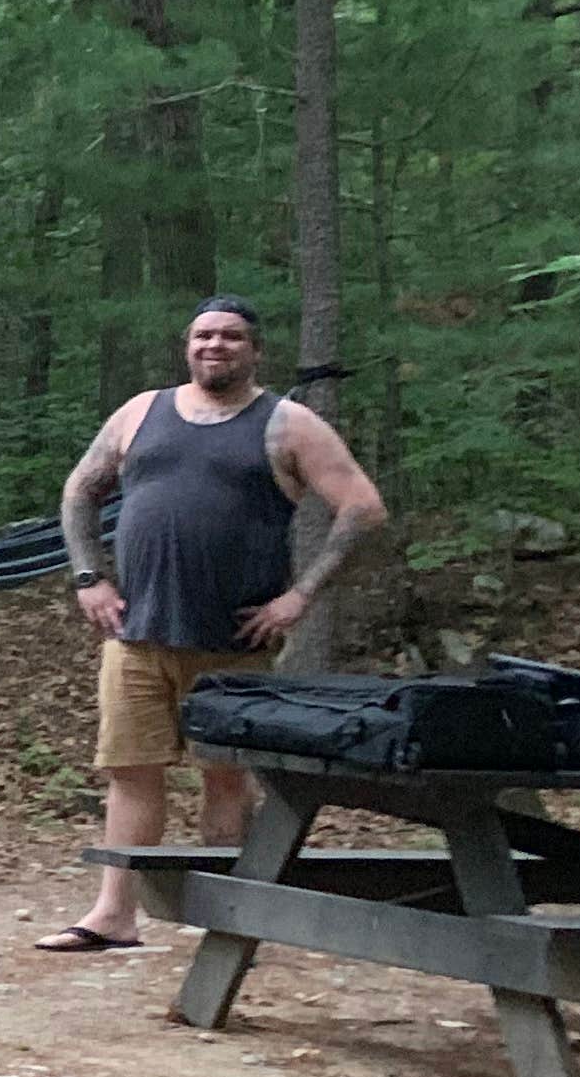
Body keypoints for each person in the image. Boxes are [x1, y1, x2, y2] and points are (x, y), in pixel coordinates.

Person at [39, 297, 385, 951]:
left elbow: (363, 508)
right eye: (203, 335)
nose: (214, 346)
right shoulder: (142, 412)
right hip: (134, 631)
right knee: (131, 769)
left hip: (232, 639)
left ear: (255, 351)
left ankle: (227, 917)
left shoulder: (287, 424)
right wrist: (89, 577)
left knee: (224, 775)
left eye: (231, 337)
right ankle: (114, 914)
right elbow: (81, 489)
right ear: (187, 345)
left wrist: (301, 595)